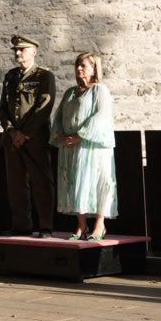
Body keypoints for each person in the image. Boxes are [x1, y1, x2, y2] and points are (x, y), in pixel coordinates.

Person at [52, 52, 117, 240]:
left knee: (95, 182)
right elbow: (59, 116)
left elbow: (101, 116)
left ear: (94, 68)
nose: (78, 69)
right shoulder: (70, 92)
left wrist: (80, 136)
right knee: (74, 182)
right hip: (71, 147)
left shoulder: (99, 90)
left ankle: (99, 225)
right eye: (77, 65)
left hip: (92, 148)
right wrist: (60, 135)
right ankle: (81, 226)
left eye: (83, 66)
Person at [0, 34, 57, 236]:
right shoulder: (10, 76)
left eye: (22, 49)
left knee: (41, 183)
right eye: (15, 50)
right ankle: (21, 226)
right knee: (16, 186)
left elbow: (44, 108)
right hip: (12, 139)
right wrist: (12, 131)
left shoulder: (44, 76)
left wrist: (25, 134)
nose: (17, 52)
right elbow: (3, 107)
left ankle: (46, 226)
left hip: (35, 140)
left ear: (34, 52)